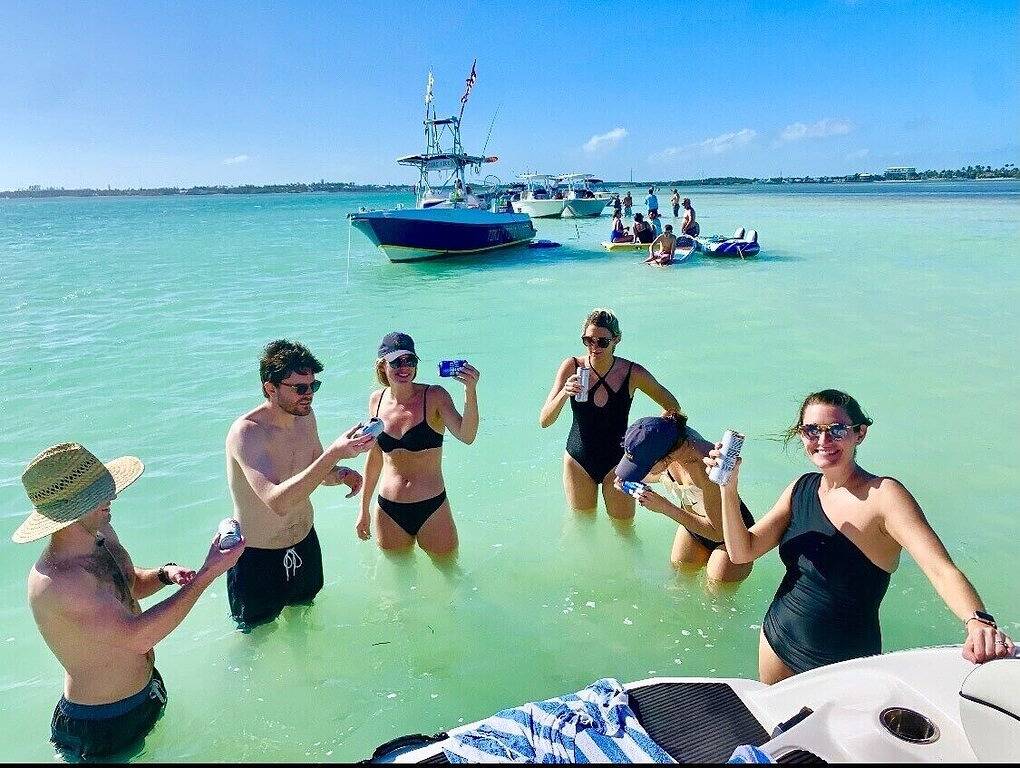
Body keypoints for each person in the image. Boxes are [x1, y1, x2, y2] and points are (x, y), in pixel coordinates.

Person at [705, 389, 1015, 684]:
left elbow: (940, 569)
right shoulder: (801, 488)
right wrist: (728, 488)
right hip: (776, 639)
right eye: (812, 430)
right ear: (802, 435)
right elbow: (742, 551)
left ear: (860, 434)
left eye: (837, 429)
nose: (823, 440)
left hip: (845, 664)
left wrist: (978, 622)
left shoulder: (884, 497)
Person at [15, 443, 244, 761]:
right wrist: (210, 572)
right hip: (101, 723)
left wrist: (164, 575)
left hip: (146, 691)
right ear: (69, 511)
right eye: (98, 496)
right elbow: (136, 638)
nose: (112, 498)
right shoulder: (58, 581)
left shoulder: (100, 531)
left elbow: (127, 585)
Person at [225, 340, 373, 630]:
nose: (309, 396)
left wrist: (341, 472)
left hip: (304, 544)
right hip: (258, 558)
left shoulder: (304, 417)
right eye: (300, 388)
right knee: (258, 642)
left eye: (313, 387)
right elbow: (276, 501)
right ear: (271, 388)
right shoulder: (247, 433)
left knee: (303, 626)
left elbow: (315, 471)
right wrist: (334, 453)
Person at [540, 309, 681, 519]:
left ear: (616, 340)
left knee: (625, 529)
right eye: (588, 340)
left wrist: (651, 445)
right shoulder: (572, 366)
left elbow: (673, 408)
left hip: (619, 463)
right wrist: (564, 393)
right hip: (578, 461)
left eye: (602, 341)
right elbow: (545, 421)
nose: (594, 347)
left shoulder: (633, 373)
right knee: (583, 525)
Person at [358, 332, 479, 556]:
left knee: (449, 575)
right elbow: (375, 457)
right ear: (382, 365)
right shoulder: (377, 400)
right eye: (396, 362)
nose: (404, 367)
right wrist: (363, 508)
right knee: (396, 583)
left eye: (410, 360)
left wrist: (470, 391)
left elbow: (467, 435)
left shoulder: (434, 396)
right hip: (388, 509)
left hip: (432, 508)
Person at [613, 415, 753, 581]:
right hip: (693, 526)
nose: (641, 470)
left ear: (665, 459)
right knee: (679, 585)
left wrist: (664, 507)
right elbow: (656, 475)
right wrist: (630, 480)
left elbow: (718, 533)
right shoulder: (671, 438)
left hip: (729, 537)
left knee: (715, 597)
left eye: (642, 465)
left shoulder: (706, 466)